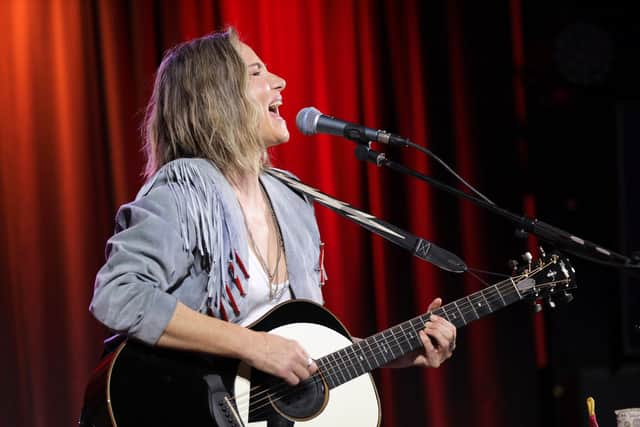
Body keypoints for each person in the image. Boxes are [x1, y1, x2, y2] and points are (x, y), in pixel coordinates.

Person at [89, 28, 456, 391]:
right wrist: (252, 346)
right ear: (216, 96)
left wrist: (396, 353)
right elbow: (117, 295)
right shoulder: (183, 193)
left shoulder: (290, 199)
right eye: (256, 72)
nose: (279, 81)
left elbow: (302, 346)